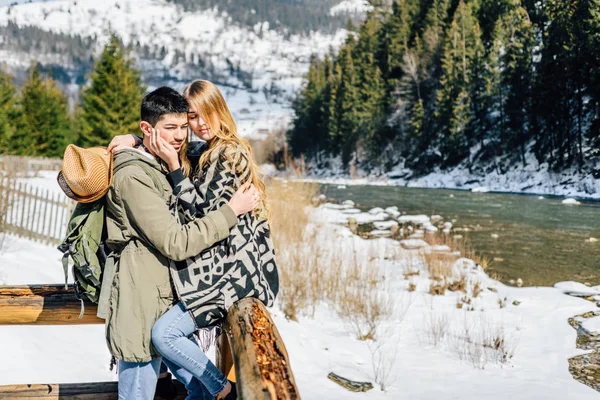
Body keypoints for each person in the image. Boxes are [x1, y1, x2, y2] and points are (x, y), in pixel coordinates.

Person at [108, 80, 279, 400]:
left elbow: (198, 210)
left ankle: (222, 390)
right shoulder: (210, 148)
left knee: (165, 335)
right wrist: (137, 138)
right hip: (216, 270)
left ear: (220, 112)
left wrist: (173, 165)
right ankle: (215, 390)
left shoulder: (228, 153)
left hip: (232, 271)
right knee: (169, 351)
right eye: (190, 119)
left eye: (201, 117)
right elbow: (170, 146)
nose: (195, 127)